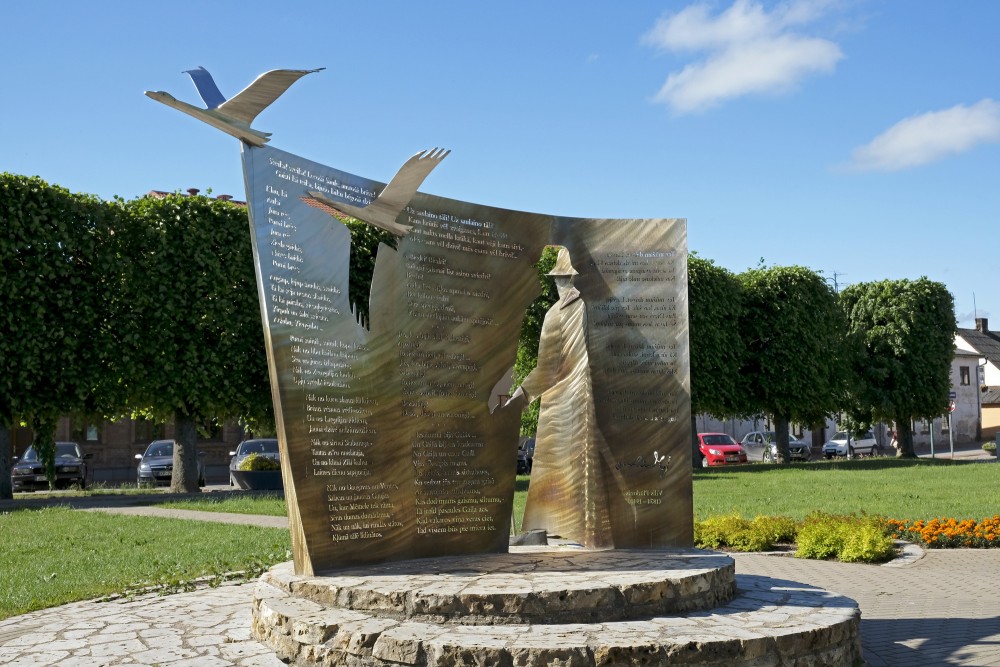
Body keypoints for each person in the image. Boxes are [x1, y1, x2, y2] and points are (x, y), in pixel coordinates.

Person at [508, 248, 613, 549]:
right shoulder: (601, 308)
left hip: (564, 406)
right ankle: (591, 535)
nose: (559, 285)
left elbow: (546, 368)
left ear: (566, 279)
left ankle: (568, 534)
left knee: (566, 474)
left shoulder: (558, 313)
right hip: (592, 402)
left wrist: (521, 396)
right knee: (585, 472)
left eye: (560, 279)